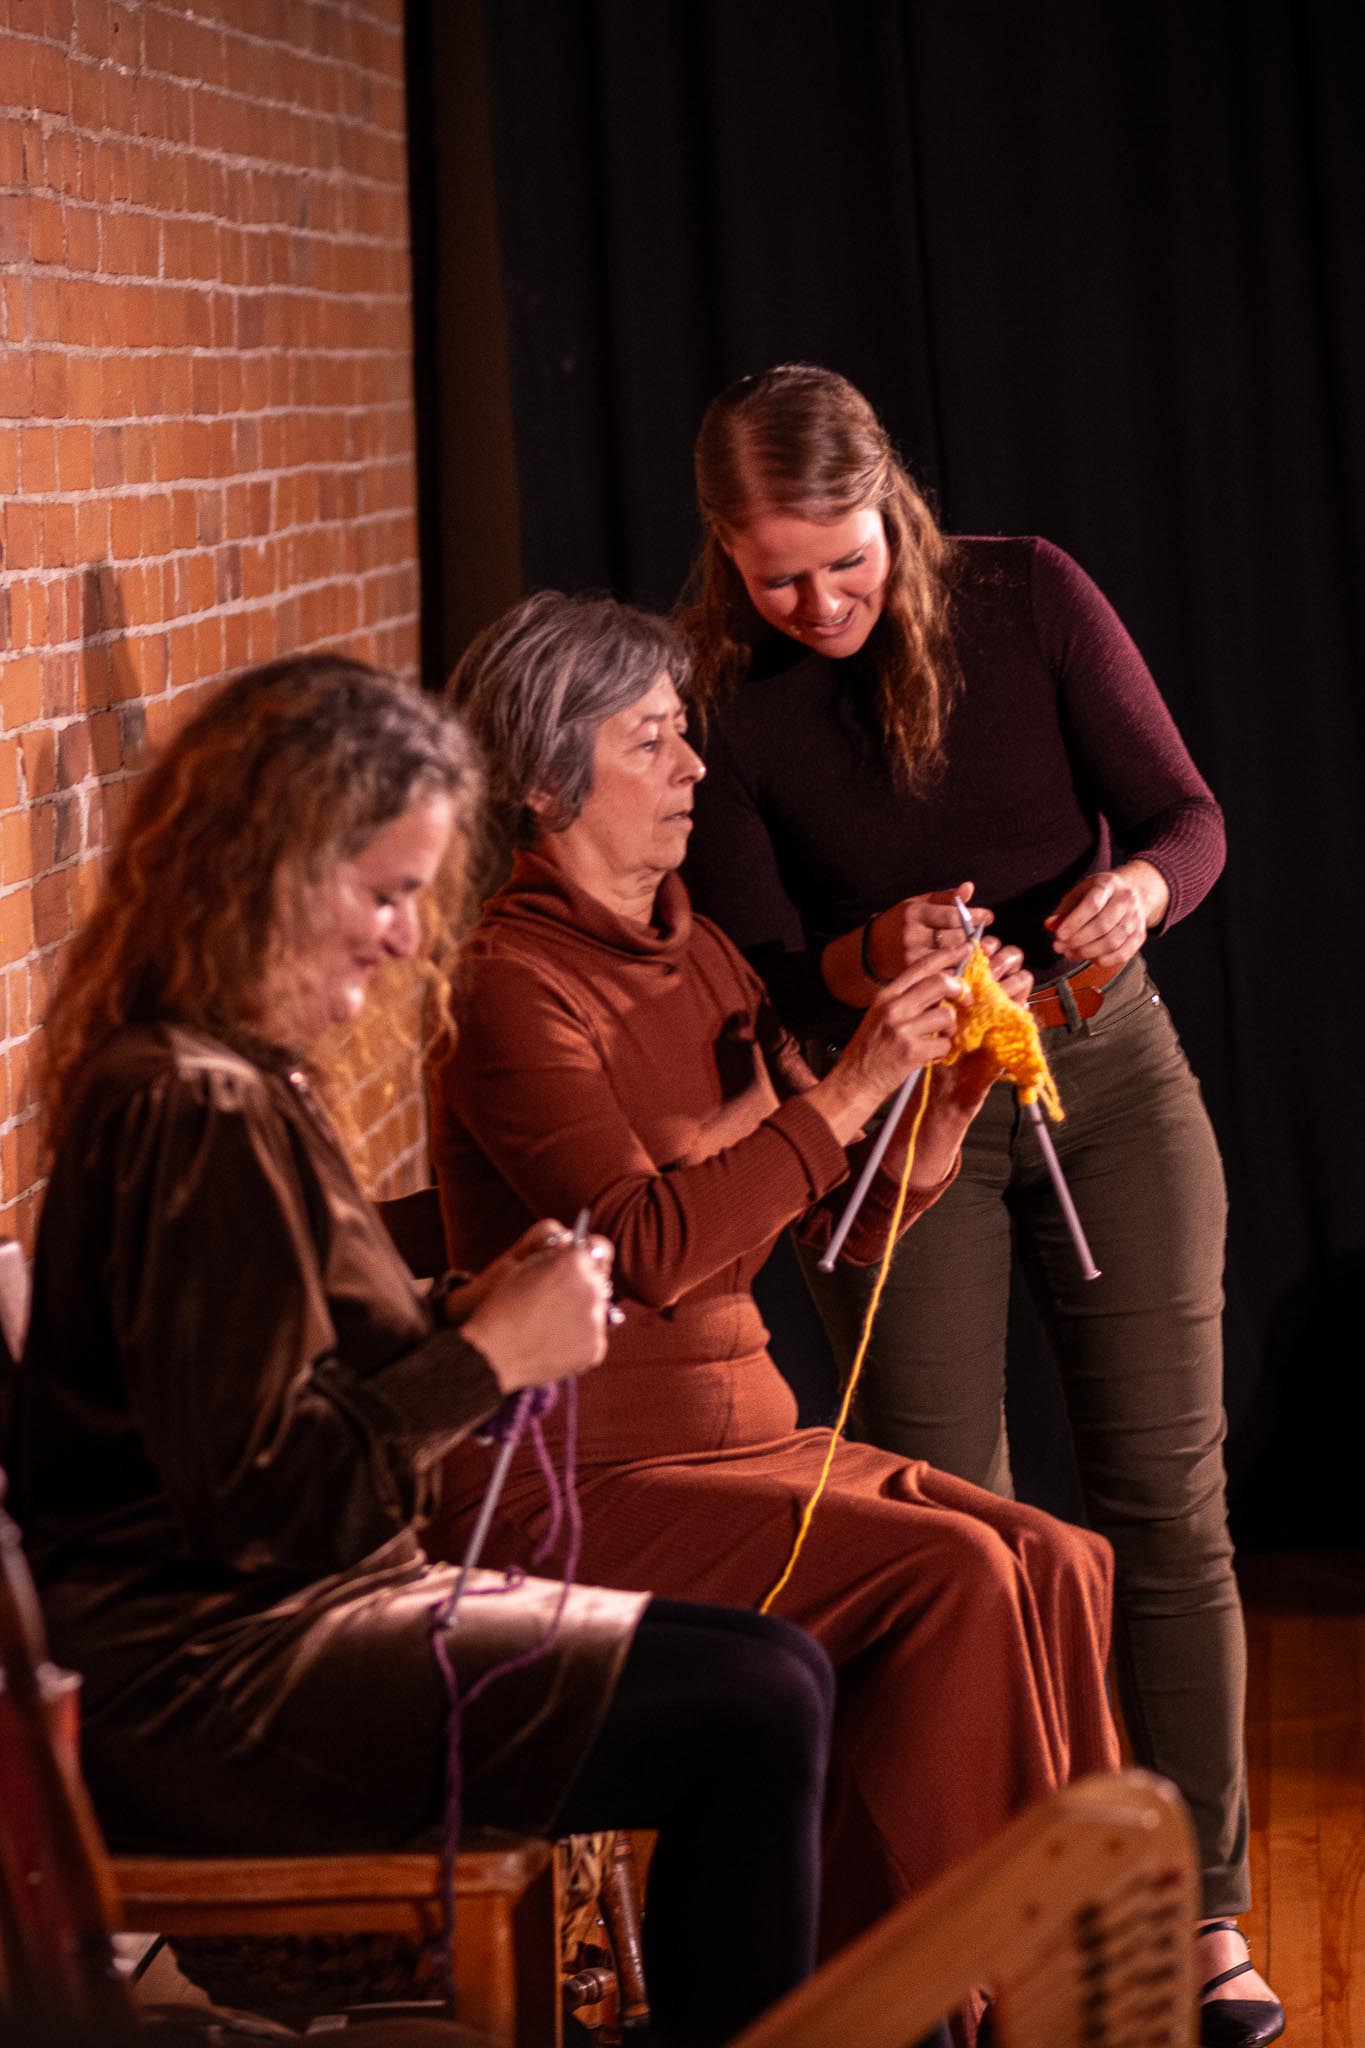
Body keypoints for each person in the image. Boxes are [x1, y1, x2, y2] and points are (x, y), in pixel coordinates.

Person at [8, 653, 842, 2048]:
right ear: (272, 869)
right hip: (217, 1688)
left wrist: (463, 1312)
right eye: (386, 894)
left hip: (276, 1633)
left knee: (782, 1672)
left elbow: (281, 1383)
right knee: (754, 1701)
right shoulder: (190, 1107)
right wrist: (486, 1358)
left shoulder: (228, 1077)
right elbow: (260, 1500)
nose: (405, 942)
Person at [680, 361, 1281, 2048]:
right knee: (952, 1535)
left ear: (894, 508)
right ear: (722, 552)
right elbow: (759, 965)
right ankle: (990, 1927)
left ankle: (1198, 1915)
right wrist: (872, 953)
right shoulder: (716, 695)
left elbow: (1185, 816)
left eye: (844, 561)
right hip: (890, 1112)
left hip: (1105, 1074)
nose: (819, 604)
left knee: (1163, 1503)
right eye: (776, 577)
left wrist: (1138, 892)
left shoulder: (1024, 597)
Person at [429, 590, 1120, 1984]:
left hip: (745, 1443)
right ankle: (946, 1990)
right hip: (583, 1480)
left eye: (684, 734)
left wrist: (940, 1099)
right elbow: (643, 1249)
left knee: (1059, 1560)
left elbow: (837, 1231)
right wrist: (856, 1084)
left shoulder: (704, 954)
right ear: (549, 784)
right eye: (652, 742)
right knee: (951, 1578)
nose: (694, 765)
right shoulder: (510, 985)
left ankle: (1017, 1978)